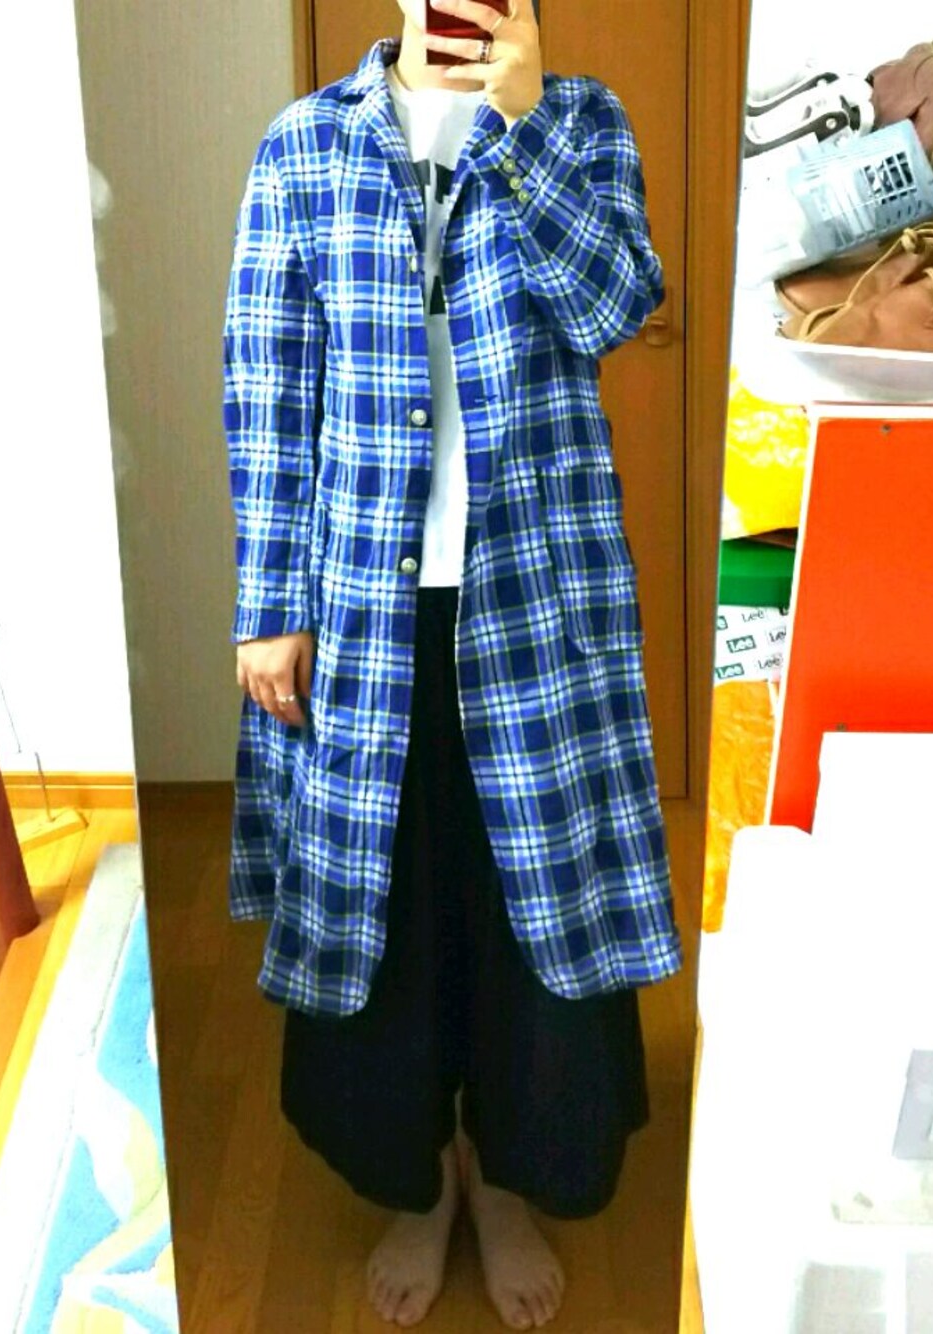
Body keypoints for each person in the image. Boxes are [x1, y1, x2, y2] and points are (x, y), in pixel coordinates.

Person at [223, 0, 683, 1328]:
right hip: (360, 612)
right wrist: (269, 602)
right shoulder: (304, 145)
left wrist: (521, 130)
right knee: (396, 914)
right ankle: (421, 1186)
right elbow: (266, 382)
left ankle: (509, 1184)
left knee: (525, 919)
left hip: (536, 603)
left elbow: (613, 304)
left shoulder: (580, 123)